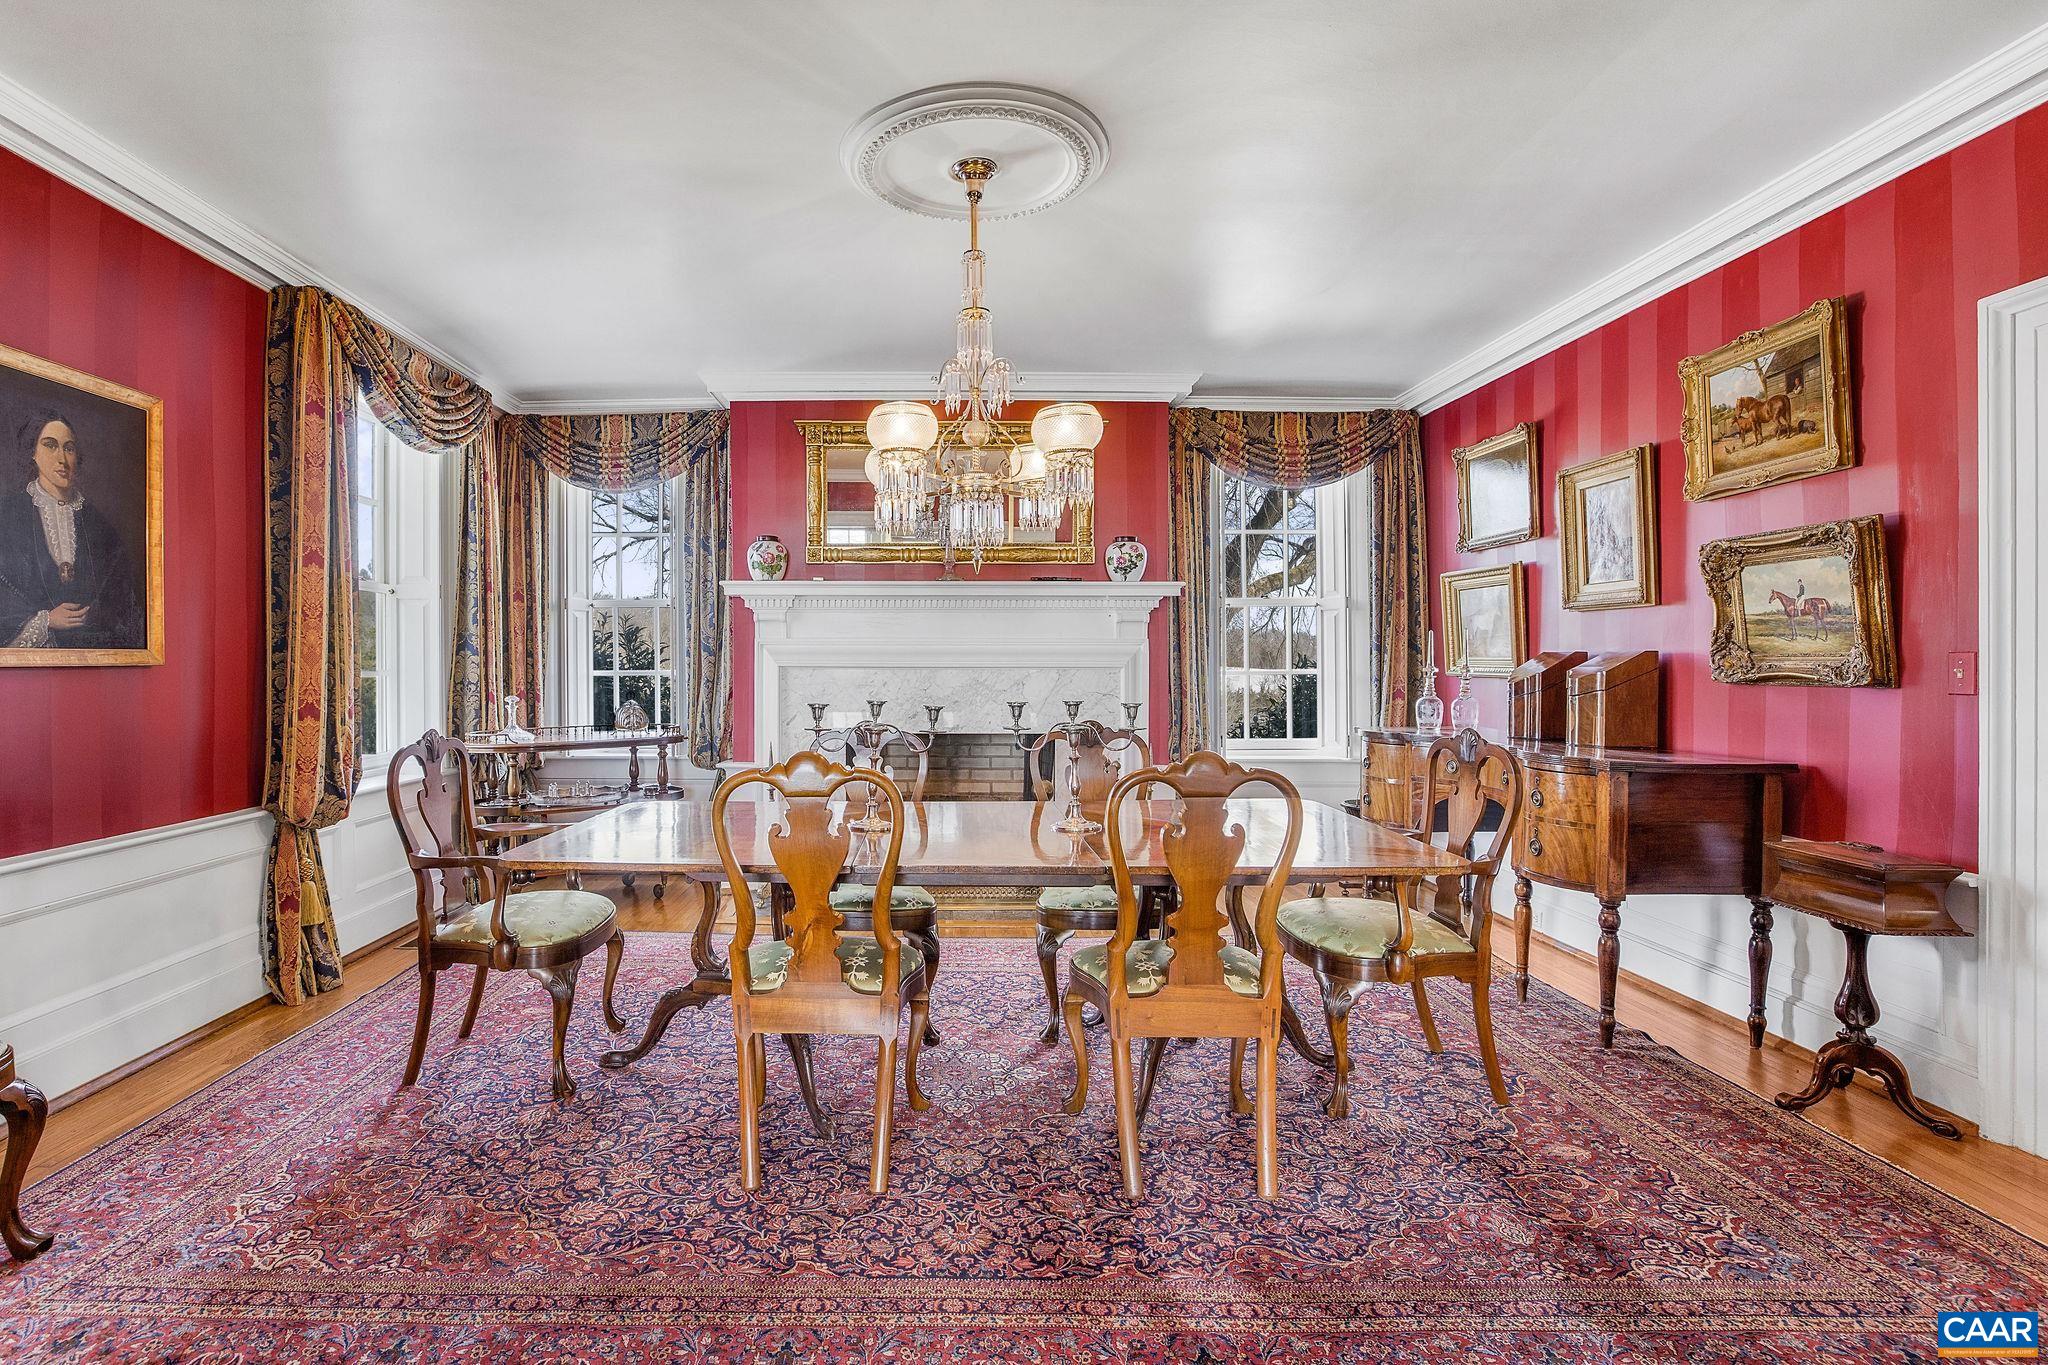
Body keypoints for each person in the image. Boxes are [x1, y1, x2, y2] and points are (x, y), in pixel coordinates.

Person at [0, 410, 139, 649]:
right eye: (50, 446)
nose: (62, 459)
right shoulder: (8, 514)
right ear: (33, 452)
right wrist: (45, 621)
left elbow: (123, 606)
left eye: (69, 448)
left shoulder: (101, 526)